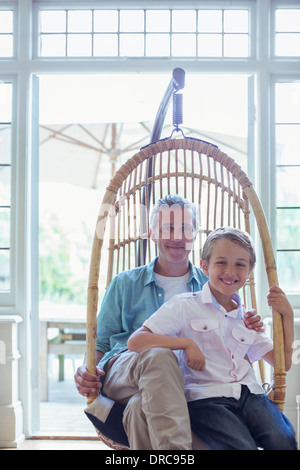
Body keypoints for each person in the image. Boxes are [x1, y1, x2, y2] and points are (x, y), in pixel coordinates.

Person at [75, 196, 264, 450]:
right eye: (168, 228)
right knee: (160, 355)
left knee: (138, 409)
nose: (177, 236)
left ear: (195, 233)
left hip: (184, 385)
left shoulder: (217, 286)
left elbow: (236, 338)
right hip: (124, 372)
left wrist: (252, 321)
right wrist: (85, 369)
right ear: (153, 233)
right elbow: (100, 343)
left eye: (185, 228)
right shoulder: (124, 284)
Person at [128, 227, 297, 450]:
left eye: (240, 264)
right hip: (207, 398)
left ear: (250, 271)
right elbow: (136, 341)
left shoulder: (247, 318)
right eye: (221, 263)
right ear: (204, 266)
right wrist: (186, 344)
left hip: (250, 394)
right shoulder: (184, 305)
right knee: (242, 446)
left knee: (284, 440)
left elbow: (282, 363)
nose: (230, 271)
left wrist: (288, 315)